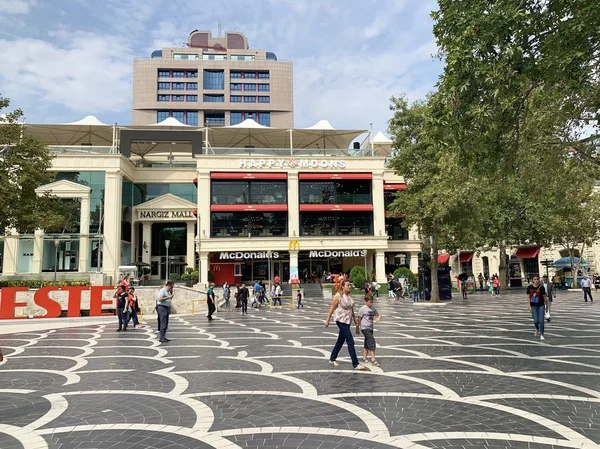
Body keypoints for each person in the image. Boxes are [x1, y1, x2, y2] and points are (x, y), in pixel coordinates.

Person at [324, 279, 365, 370]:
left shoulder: (349, 296)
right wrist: (327, 320)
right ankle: (355, 363)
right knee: (350, 340)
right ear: (342, 286)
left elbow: (351, 309)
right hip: (340, 320)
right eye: (347, 285)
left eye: (349, 285)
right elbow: (332, 308)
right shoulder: (338, 296)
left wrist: (354, 319)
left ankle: (332, 358)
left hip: (347, 321)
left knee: (340, 340)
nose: (349, 286)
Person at [358, 293, 381, 366]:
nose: (371, 304)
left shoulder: (373, 309)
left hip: (370, 328)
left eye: (372, 302)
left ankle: (364, 357)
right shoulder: (363, 309)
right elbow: (359, 318)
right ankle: (373, 359)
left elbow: (379, 314)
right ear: (366, 301)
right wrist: (357, 327)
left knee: (367, 342)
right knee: (371, 341)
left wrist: (378, 318)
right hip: (364, 328)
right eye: (370, 302)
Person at [527, 276, 548, 341]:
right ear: (532, 280)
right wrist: (529, 305)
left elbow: (544, 297)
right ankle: (537, 328)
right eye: (534, 279)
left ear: (539, 280)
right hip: (533, 305)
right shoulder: (529, 287)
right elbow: (528, 297)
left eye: (537, 279)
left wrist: (546, 306)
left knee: (541, 320)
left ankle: (542, 334)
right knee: (536, 321)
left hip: (541, 305)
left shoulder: (542, 288)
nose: (536, 280)